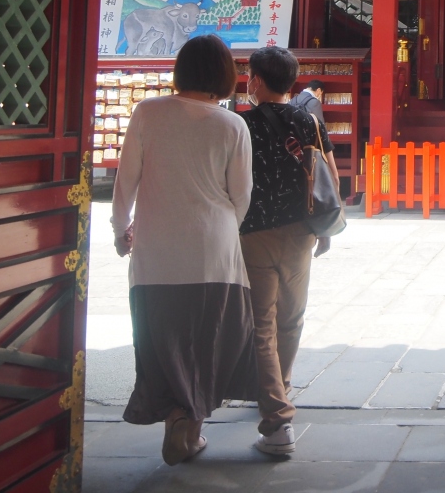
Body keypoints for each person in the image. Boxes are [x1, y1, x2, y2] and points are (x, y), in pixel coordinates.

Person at [111, 34, 257, 466]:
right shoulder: (232, 125)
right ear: (225, 76)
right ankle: (189, 428)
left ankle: (174, 416)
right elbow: (242, 196)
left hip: (157, 248)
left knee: (160, 336)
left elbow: (125, 182)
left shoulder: (148, 112)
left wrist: (121, 231)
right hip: (214, 247)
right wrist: (226, 231)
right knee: (210, 339)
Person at [240, 46, 339, 457]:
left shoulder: (242, 124)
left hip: (254, 233)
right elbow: (328, 174)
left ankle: (277, 416)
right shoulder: (308, 120)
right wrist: (327, 227)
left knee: (261, 323)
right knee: (292, 317)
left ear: (257, 81)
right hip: (301, 231)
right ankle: (279, 388)